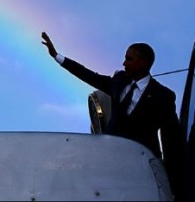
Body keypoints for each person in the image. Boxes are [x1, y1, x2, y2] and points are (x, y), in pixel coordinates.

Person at [40, 31, 183, 193]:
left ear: (143, 62)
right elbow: (88, 76)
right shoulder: (119, 81)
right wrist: (57, 56)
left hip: (141, 168)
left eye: (129, 59)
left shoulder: (164, 96)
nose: (124, 63)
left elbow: (172, 143)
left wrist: (173, 186)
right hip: (110, 161)